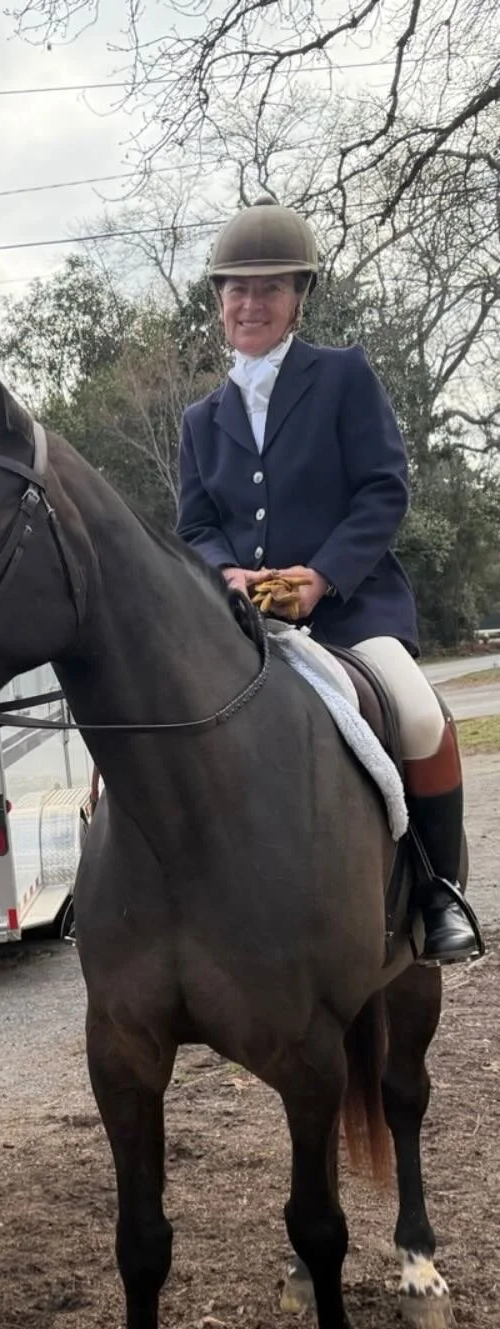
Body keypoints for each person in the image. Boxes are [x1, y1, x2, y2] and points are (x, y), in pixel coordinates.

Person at [177, 196, 482, 963]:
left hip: (350, 612)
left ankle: (437, 892)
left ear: (298, 298)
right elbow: (195, 527)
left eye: (269, 288)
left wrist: (320, 576)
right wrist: (226, 573)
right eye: (237, 289)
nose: (251, 304)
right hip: (243, 626)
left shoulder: (342, 375)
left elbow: (383, 488)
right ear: (218, 300)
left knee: (418, 716)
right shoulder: (198, 420)